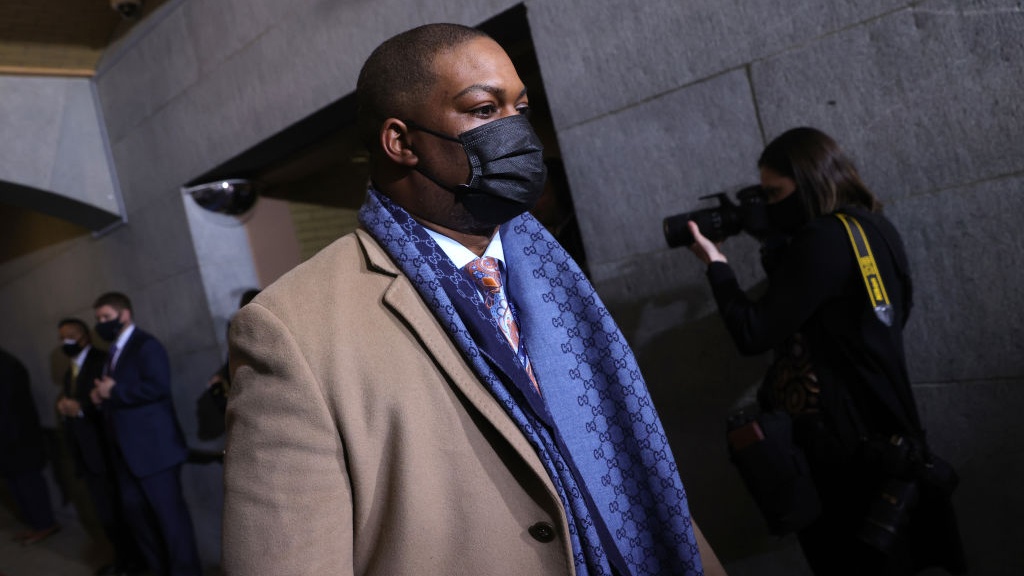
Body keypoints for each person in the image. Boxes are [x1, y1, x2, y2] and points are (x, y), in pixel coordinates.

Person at [224, 23, 725, 576]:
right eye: (485, 110)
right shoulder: (289, 329)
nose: (516, 131)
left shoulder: (553, 275)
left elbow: (631, 461)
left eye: (521, 108)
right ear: (402, 142)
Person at [687, 127, 966, 575]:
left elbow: (754, 332)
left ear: (811, 180)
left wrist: (718, 267)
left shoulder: (821, 239)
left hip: (844, 444)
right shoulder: (873, 226)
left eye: (776, 193)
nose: (771, 204)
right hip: (889, 424)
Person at [90, 292, 202, 576]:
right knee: (140, 523)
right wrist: (101, 396)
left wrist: (114, 391)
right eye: (98, 319)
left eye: (105, 317)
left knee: (170, 523)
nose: (100, 324)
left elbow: (157, 387)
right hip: (125, 455)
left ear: (124, 314)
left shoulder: (146, 346)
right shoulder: (113, 352)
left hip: (155, 453)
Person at [56, 318, 145, 576]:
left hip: (105, 451)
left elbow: (107, 403)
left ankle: (134, 563)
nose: (65, 343)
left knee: (120, 512)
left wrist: (81, 408)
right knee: (105, 513)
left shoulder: (101, 361)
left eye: (69, 336)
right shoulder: (69, 370)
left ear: (84, 337)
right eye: (61, 338)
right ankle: (122, 560)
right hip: (87, 454)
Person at [0, 347, 60, 546]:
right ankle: (36, 525)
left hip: (17, 438)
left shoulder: (7, 365)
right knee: (16, 485)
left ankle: (45, 525)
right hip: (9, 439)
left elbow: (8, 406)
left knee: (28, 483)